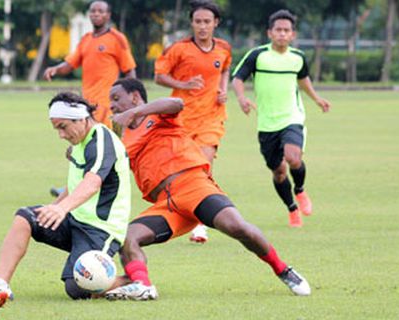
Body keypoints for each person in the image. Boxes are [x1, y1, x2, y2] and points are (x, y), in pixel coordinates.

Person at [104, 78, 311, 301]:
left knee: (237, 227)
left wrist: (135, 113)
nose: (112, 105)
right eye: (110, 101)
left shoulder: (157, 115)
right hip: (167, 204)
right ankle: (142, 286)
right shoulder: (119, 137)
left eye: (116, 99)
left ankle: (283, 270)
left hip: (194, 186)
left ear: (135, 97)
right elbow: (101, 164)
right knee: (127, 238)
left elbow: (176, 103)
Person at [0, 92, 132, 315]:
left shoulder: (102, 140)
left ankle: (131, 281)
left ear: (82, 118)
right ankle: (0, 284)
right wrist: (55, 206)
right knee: (26, 217)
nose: (60, 135)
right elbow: (76, 182)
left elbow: (92, 183)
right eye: (56, 128)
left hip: (101, 229)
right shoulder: (80, 140)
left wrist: (61, 208)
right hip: (75, 218)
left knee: (76, 288)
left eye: (63, 127)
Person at [231, 9, 331, 227]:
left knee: (293, 157)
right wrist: (241, 98)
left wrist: (316, 99)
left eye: (287, 30)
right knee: (278, 172)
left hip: (292, 117)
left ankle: (301, 191)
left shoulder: (298, 58)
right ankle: (292, 208)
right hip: (267, 123)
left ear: (293, 34)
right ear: (270, 33)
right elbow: (238, 78)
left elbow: (303, 80)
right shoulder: (258, 55)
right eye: (278, 30)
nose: (282, 34)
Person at [154, 0, 232, 243]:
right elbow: (159, 76)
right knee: (184, 172)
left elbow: (225, 69)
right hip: (182, 120)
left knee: (203, 165)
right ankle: (185, 211)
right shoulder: (179, 49)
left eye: (207, 22)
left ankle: (200, 224)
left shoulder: (223, 48)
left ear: (215, 23)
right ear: (192, 23)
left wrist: (223, 89)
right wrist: (182, 85)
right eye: (198, 21)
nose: (202, 26)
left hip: (211, 118)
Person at [43, 0, 136, 129]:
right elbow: (69, 65)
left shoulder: (117, 38)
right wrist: (55, 69)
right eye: (93, 11)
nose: (96, 14)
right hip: (86, 103)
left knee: (103, 139)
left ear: (108, 15)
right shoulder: (86, 39)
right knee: (89, 139)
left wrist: (130, 98)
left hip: (106, 103)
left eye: (100, 11)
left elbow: (129, 70)